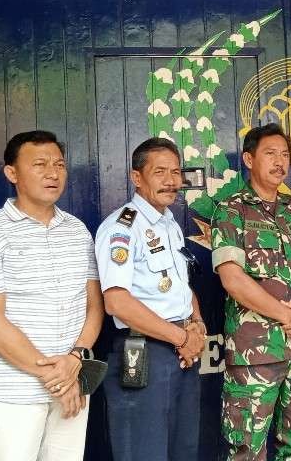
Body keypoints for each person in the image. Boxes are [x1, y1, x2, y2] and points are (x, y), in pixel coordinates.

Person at [0, 130, 103, 461]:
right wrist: (57, 378)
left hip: (73, 380)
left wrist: (75, 360)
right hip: (13, 393)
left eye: (60, 164)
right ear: (12, 173)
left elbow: (94, 307)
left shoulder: (77, 231)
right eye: (39, 164)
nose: (53, 173)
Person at [210, 123, 291, 460]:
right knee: (248, 449)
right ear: (248, 158)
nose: (280, 162)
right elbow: (233, 279)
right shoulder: (231, 210)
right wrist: (289, 314)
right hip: (253, 355)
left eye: (285, 155)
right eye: (270, 154)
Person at [94, 137, 206, 460]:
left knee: (183, 450)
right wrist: (182, 337)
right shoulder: (122, 227)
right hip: (144, 353)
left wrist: (196, 326)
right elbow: (116, 302)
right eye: (160, 172)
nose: (171, 181)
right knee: (145, 452)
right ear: (136, 177)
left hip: (182, 351)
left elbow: (182, 285)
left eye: (175, 172)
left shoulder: (169, 223)